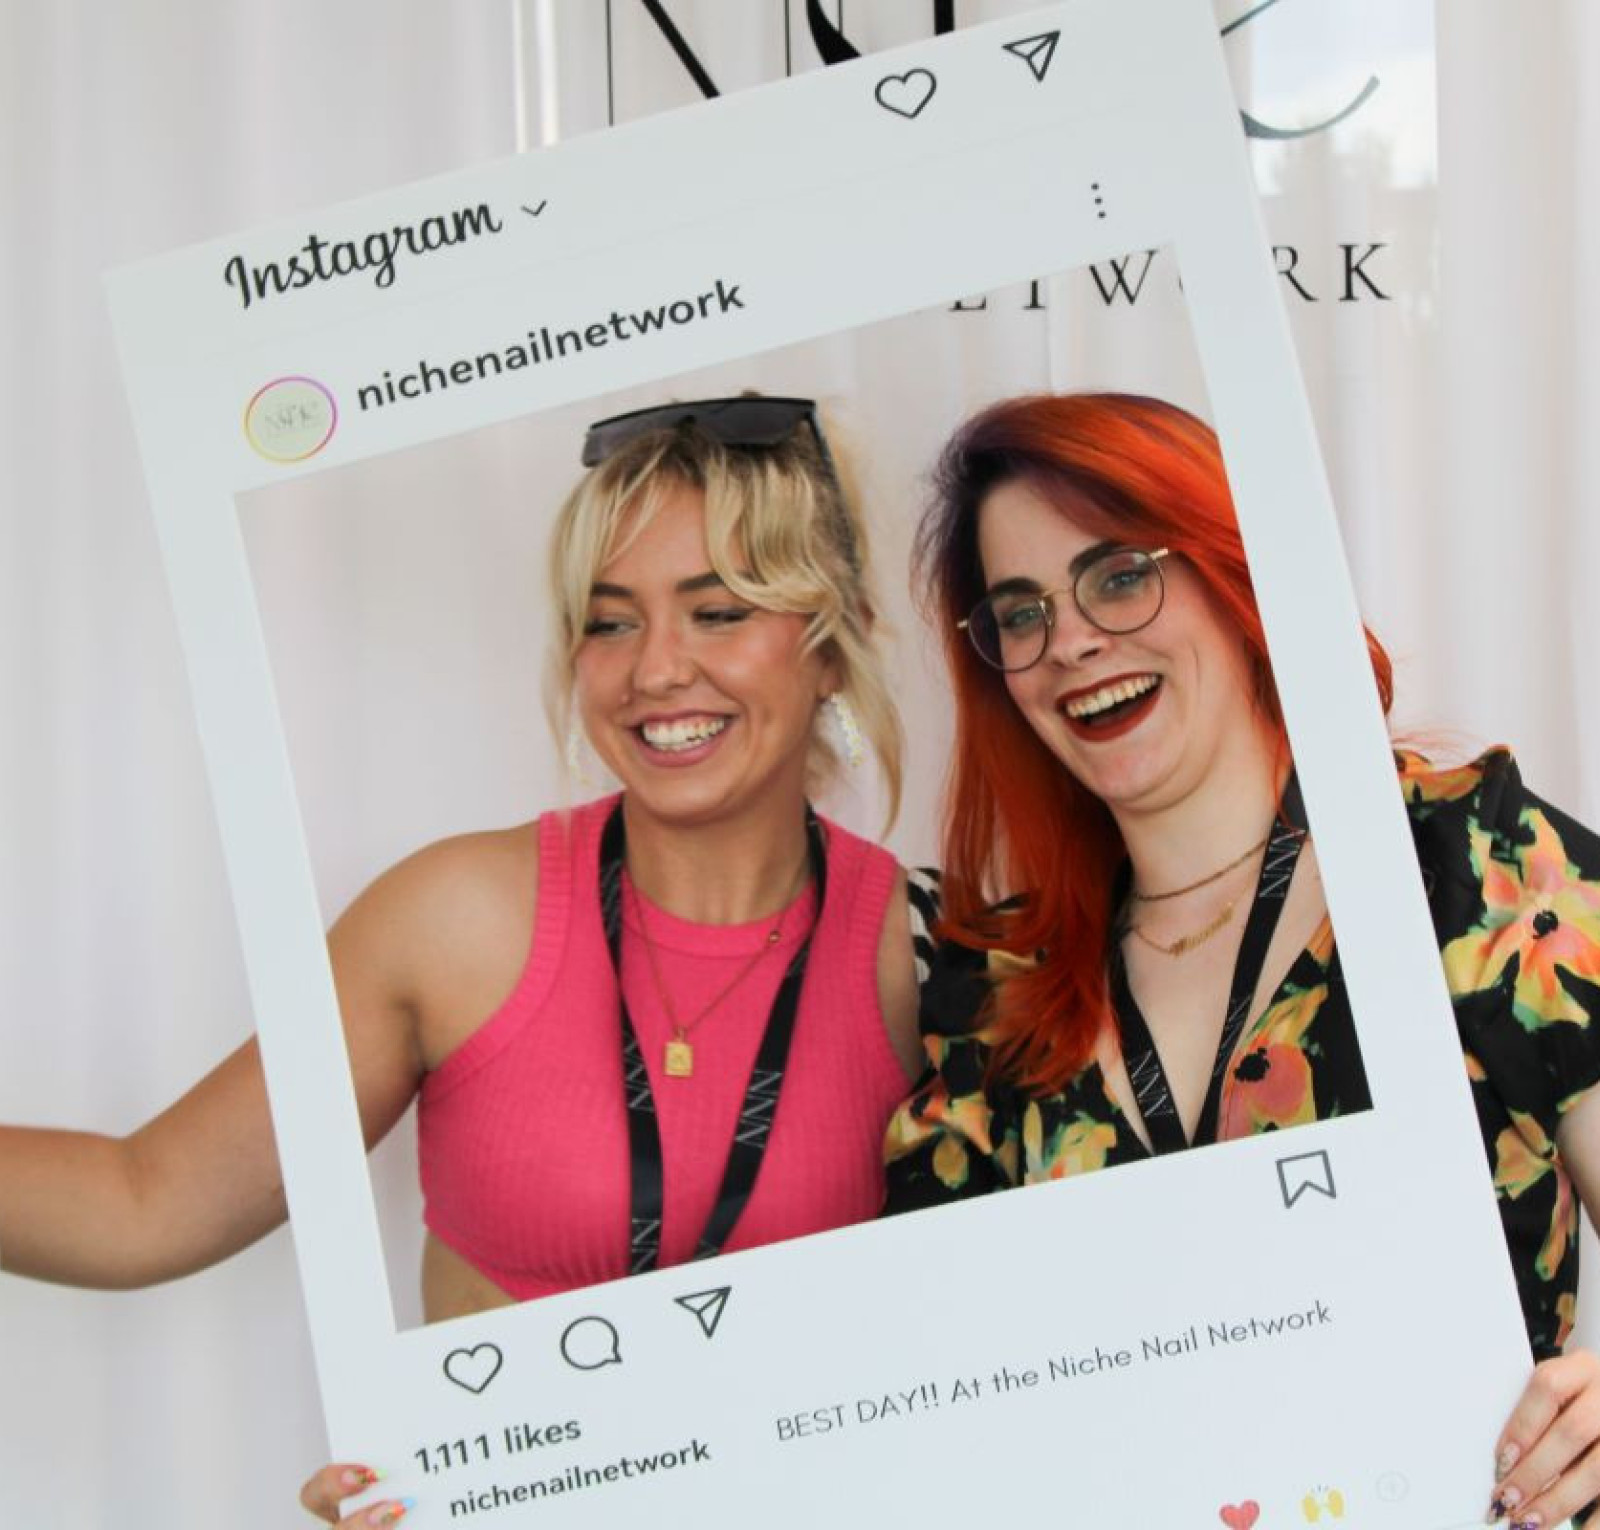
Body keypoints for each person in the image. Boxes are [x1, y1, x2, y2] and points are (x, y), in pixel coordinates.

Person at [0, 396, 926, 1528]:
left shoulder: (920, 953)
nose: (654, 672)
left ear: (832, 648)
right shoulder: (457, 919)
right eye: (609, 620)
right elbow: (140, 1201)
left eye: (718, 611)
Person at [884, 392, 1600, 1530]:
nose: (1070, 641)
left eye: (1119, 574)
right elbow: (933, 1411)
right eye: (1018, 613)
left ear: (1233, 568)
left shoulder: (1471, 866)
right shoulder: (992, 991)